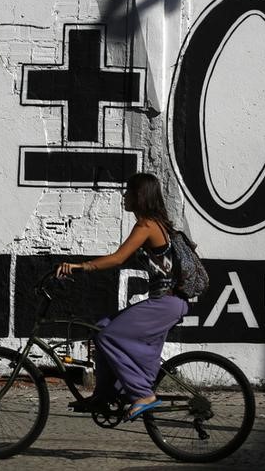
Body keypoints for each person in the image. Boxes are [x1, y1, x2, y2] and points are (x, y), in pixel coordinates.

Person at [56, 172, 188, 421]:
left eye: (128, 191)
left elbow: (118, 258)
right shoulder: (158, 223)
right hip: (168, 303)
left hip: (166, 303)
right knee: (102, 328)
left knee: (108, 336)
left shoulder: (147, 225)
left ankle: (142, 394)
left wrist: (79, 266)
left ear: (139, 195)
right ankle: (104, 395)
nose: (124, 196)